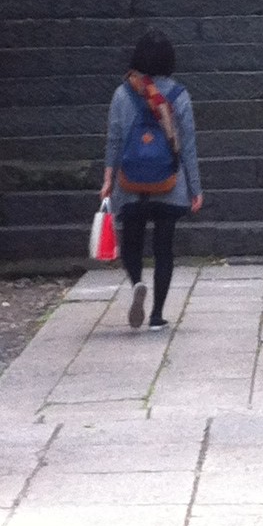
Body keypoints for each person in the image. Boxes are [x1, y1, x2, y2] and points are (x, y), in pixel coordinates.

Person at [102, 28, 202, 331]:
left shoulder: (122, 94)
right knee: (164, 248)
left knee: (131, 243)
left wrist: (107, 180)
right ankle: (157, 315)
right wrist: (195, 189)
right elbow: (188, 147)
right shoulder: (179, 95)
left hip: (130, 182)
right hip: (169, 184)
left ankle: (136, 283)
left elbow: (114, 141)